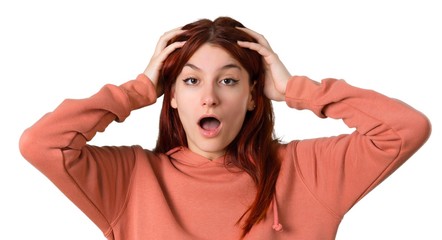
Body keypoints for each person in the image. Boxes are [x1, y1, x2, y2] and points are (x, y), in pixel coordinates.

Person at [19, 16, 431, 240]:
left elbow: (405, 129)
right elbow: (42, 144)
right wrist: (138, 90)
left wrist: (294, 90)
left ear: (253, 96)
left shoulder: (306, 171)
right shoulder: (129, 179)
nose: (210, 97)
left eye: (229, 80)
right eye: (192, 80)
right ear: (172, 95)